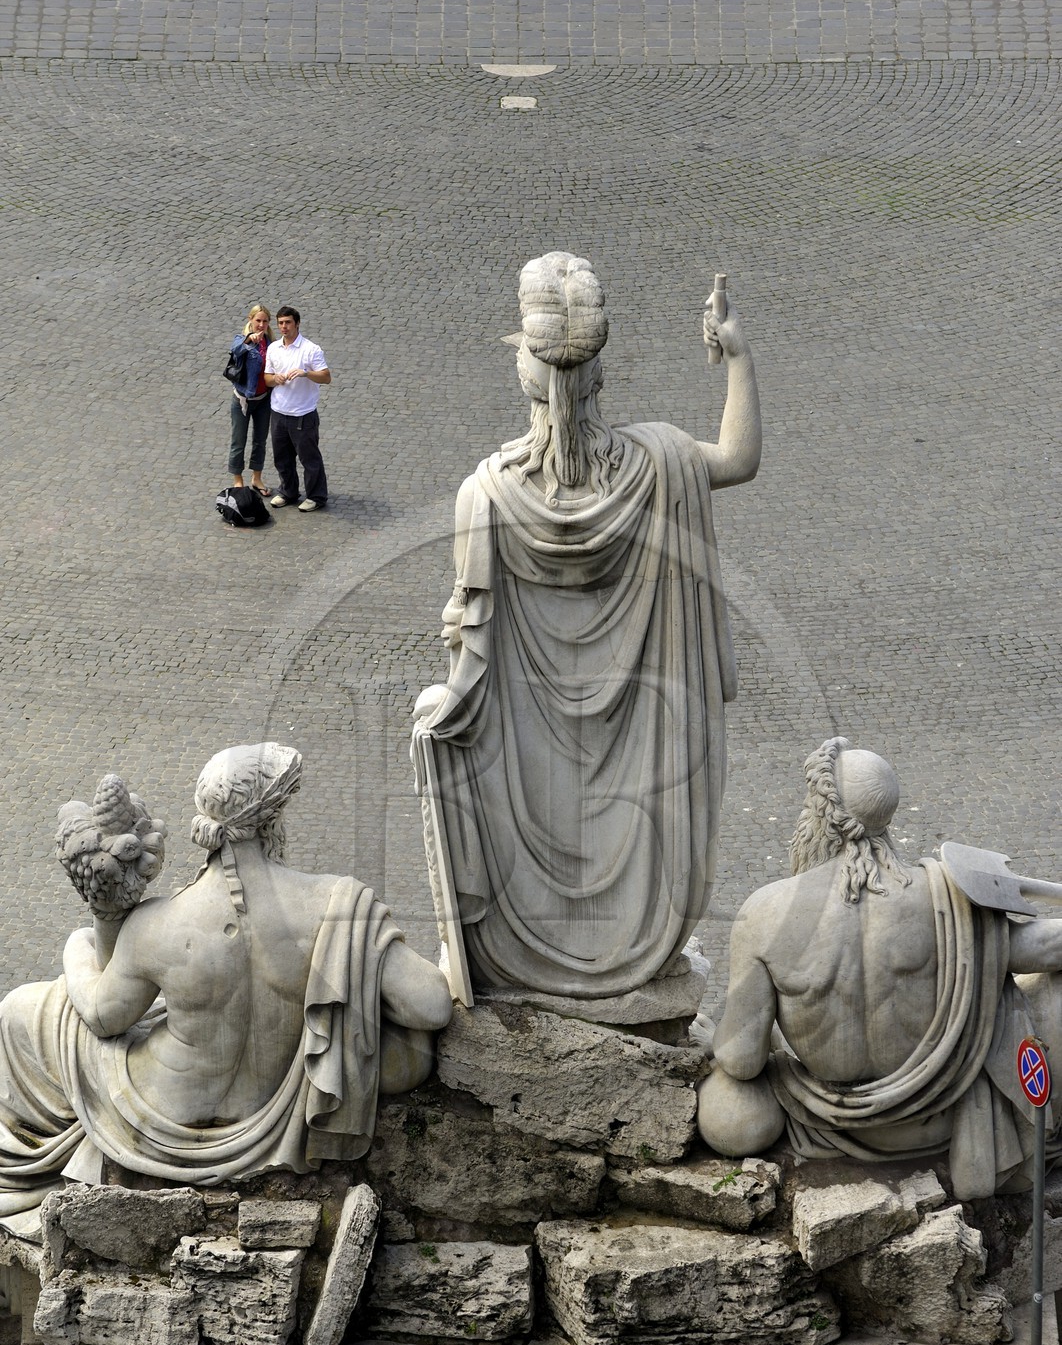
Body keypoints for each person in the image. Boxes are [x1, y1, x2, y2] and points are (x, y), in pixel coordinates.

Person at [412, 251, 761, 1000]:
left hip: (527, 756)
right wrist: (737, 356)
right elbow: (738, 458)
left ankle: (534, 954)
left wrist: (435, 717)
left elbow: (469, 667)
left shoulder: (487, 495)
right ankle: (630, 945)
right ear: (601, 375)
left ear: (524, 376)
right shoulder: (661, 463)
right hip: (642, 744)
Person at [0, 744, 451, 1219]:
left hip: (159, 1113)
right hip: (272, 1117)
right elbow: (432, 1006)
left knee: (19, 1011)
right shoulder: (337, 907)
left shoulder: (158, 922)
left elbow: (103, 1017)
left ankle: (16, 1170)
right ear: (275, 817)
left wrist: (80, 942)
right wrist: (351, 995)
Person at [697, 736, 1062, 1198]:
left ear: (819, 811)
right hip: (936, 1121)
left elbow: (740, 1059)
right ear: (888, 815)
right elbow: (1046, 949)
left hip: (829, 1123)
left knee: (729, 1112)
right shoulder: (943, 900)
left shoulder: (766, 912)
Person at [265, 306, 330, 512]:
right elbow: (267, 378)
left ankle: (316, 496)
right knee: (281, 458)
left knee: (309, 459)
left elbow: (326, 377)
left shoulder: (311, 349)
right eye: (281, 323)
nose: (284, 327)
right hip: (278, 412)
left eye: (288, 323)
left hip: (303, 414)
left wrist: (305, 373)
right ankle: (288, 491)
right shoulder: (274, 348)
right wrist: (275, 379)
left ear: (297, 324)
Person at [227, 303, 273, 496]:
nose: (261, 325)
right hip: (242, 400)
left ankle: (257, 478)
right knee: (239, 440)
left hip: (263, 399)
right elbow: (235, 349)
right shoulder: (242, 339)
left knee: (260, 441)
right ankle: (238, 479)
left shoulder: (271, 343)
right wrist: (248, 340)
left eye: (264, 321)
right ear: (251, 320)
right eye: (258, 320)